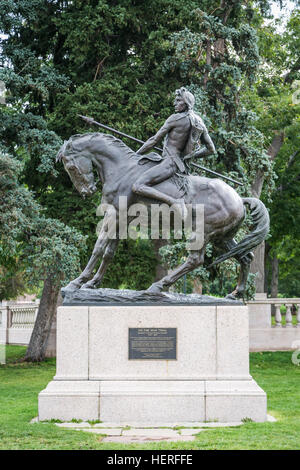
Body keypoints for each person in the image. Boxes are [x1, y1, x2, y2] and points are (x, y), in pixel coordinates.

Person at [132, 87, 216, 218]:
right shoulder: (199, 122)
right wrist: (189, 156)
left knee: (137, 186)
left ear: (186, 103)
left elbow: (154, 140)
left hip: (169, 163)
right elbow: (211, 149)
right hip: (179, 165)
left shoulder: (175, 119)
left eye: (178, 100)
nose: (174, 104)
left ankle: (175, 202)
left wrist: (135, 155)